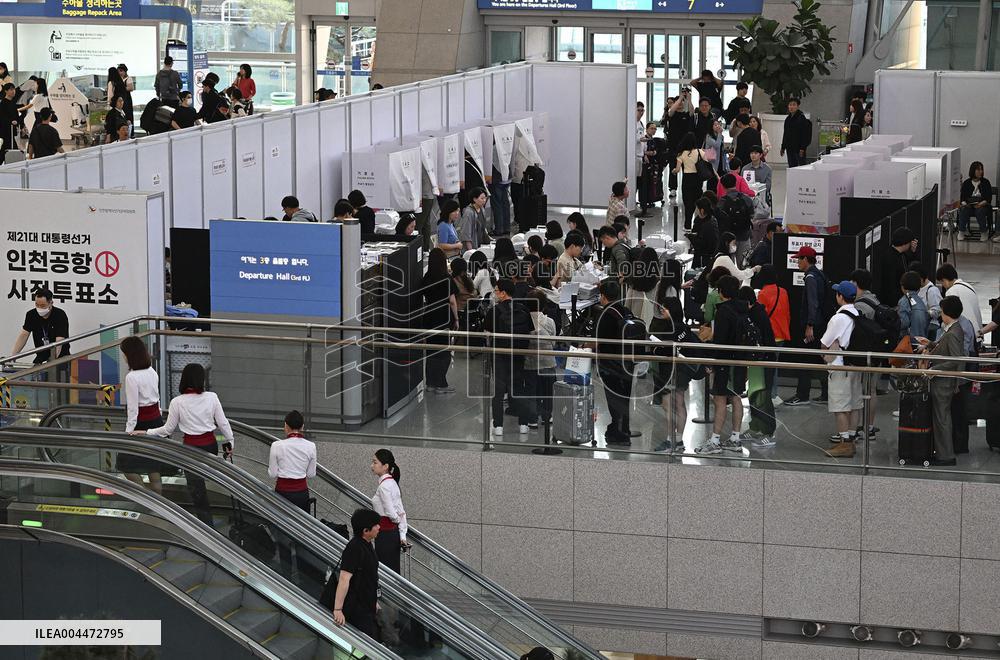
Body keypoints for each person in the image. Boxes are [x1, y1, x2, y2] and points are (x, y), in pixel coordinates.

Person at [138, 363, 234, 525]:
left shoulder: (177, 402)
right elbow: (223, 423)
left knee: (196, 488)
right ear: (202, 379)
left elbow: (167, 430)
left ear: (184, 379)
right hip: (210, 446)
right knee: (210, 480)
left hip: (190, 450)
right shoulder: (212, 397)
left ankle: (206, 524)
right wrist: (230, 443)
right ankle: (217, 516)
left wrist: (147, 432)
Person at [915, 295, 967, 466]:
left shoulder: (952, 333)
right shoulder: (954, 329)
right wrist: (930, 344)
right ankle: (943, 452)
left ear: (946, 314)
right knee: (941, 417)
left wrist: (934, 370)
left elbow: (955, 359)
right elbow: (946, 349)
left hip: (944, 382)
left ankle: (945, 455)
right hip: (945, 381)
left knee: (941, 419)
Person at [700, 275, 749, 454]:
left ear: (721, 291)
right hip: (740, 359)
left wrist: (712, 362)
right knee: (736, 398)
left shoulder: (723, 311)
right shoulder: (744, 308)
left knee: (719, 399)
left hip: (725, 361)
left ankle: (715, 441)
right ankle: (735, 438)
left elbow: (720, 341)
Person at [484, 278, 534, 435]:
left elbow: (486, 335)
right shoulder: (524, 309)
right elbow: (530, 332)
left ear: (503, 293)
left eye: (496, 291)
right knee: (519, 388)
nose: (495, 293)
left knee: (499, 391)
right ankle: (523, 424)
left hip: (500, 355)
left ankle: (498, 426)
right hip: (519, 355)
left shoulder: (494, 311)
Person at [649, 291, 695, 451]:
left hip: (670, 371)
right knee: (679, 404)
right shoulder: (684, 327)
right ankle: (679, 440)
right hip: (683, 371)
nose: (662, 310)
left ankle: (671, 440)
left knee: (668, 405)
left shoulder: (670, 328)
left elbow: (666, 350)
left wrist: (656, 348)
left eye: (665, 308)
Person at [117, 336, 164, 494]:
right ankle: (159, 501)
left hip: (140, 424)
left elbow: (133, 409)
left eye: (124, 353)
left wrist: (128, 433)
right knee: (153, 465)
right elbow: (157, 399)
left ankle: (145, 497)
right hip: (156, 420)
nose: (123, 357)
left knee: (125, 465)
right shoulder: (152, 371)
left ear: (130, 354)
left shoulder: (132, 377)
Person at [821, 282, 863, 458]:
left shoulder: (838, 318)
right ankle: (851, 440)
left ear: (840, 296)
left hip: (839, 367)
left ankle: (844, 444)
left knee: (840, 406)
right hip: (855, 365)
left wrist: (825, 355)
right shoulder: (858, 314)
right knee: (854, 405)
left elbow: (825, 344)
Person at [784, 246, 829, 406]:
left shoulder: (810, 277)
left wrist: (810, 325)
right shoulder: (819, 274)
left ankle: (802, 395)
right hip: (822, 324)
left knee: (804, 359)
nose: (797, 262)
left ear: (805, 259)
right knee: (820, 359)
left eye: (799, 259)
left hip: (813, 326)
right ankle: (826, 393)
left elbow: (813, 303)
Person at [594, 280, 635, 445]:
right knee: (625, 397)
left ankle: (619, 434)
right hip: (628, 363)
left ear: (603, 296)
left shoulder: (604, 314)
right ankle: (624, 429)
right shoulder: (626, 311)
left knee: (613, 398)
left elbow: (597, 340)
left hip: (610, 364)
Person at [330, 508, 381, 638]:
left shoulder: (368, 544)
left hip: (366, 605)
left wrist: (373, 600)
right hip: (357, 608)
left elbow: (369, 576)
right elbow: (344, 578)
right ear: (365, 530)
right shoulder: (354, 548)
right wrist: (338, 609)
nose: (379, 527)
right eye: (375, 525)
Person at [739, 286, 778, 447]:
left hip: (764, 360)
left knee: (763, 397)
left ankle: (769, 432)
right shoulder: (753, 313)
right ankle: (755, 427)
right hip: (756, 360)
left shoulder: (757, 315)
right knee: (754, 394)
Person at [421, 248, 458, 394]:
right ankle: (441, 384)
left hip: (429, 315)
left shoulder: (426, 277)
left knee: (431, 350)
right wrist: (456, 318)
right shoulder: (447, 278)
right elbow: (452, 301)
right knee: (443, 351)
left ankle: (430, 383)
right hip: (443, 315)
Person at [267, 410, 317, 512]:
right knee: (301, 521)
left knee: (281, 520)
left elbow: (272, 474)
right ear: (302, 427)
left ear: (286, 426)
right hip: (301, 493)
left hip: (282, 493)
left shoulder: (276, 445)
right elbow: (311, 474)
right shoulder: (311, 446)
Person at [756, 265, 790, 404]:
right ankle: (774, 394)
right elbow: (787, 314)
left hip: (769, 335)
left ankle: (768, 395)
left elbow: (760, 317)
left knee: (766, 368)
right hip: (782, 333)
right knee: (774, 365)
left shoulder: (762, 294)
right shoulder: (783, 291)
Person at [370, 449, 409, 571]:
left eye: (375, 462)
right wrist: (402, 535)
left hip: (385, 534)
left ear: (385, 466)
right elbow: (401, 511)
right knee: (392, 571)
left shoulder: (384, 486)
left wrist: (396, 520)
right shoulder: (392, 483)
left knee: (384, 571)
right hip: (392, 534)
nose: (372, 466)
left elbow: (391, 512)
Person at [10, 288, 69, 364]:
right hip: (41, 357)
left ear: (51, 303)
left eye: (43, 305)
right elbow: (24, 335)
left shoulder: (60, 315)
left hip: (61, 357)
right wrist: (13, 357)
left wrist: (52, 360)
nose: (39, 308)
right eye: (37, 305)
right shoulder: (31, 315)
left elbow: (59, 340)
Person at [524, 289, 557, 428]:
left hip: (530, 363)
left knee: (532, 391)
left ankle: (532, 418)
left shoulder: (523, 321)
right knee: (548, 391)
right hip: (548, 362)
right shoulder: (550, 321)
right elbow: (554, 342)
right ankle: (547, 416)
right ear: (544, 306)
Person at [716, 174, 756, 259]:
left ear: (723, 186)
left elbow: (719, 220)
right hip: (744, 235)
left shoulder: (722, 202)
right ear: (736, 183)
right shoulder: (746, 199)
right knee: (743, 263)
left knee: (728, 263)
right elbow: (752, 215)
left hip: (728, 238)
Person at [663, 91, 694, 196]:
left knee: (687, 168)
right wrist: (680, 98)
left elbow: (692, 111)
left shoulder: (686, 115)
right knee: (673, 166)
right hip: (673, 146)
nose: (680, 104)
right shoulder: (672, 115)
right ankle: (673, 188)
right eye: (678, 102)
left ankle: (686, 188)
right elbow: (671, 110)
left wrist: (688, 99)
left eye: (682, 102)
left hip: (686, 147)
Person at [673, 132, 706, 229]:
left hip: (687, 179)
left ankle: (687, 225)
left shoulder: (682, 154)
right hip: (698, 179)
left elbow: (677, 169)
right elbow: (707, 163)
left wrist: (673, 171)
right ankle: (698, 225)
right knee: (698, 202)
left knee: (688, 203)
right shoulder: (700, 152)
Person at [935, 263, 983, 331]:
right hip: (977, 330)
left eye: (941, 282)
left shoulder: (951, 292)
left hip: (963, 332)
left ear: (944, 280)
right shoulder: (969, 286)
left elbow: (950, 318)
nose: (943, 285)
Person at [879, 227, 918, 308]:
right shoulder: (890, 258)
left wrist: (913, 251)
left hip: (902, 297)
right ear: (904, 243)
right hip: (895, 303)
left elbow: (909, 263)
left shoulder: (900, 254)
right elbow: (890, 285)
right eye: (910, 242)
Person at [958, 161, 994, 241]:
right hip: (969, 206)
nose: (981, 171)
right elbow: (962, 198)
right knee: (963, 209)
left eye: (981, 169)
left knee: (980, 210)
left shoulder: (985, 182)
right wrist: (965, 204)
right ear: (973, 171)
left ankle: (983, 232)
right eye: (978, 170)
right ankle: (961, 231)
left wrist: (980, 204)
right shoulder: (967, 183)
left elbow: (988, 198)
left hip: (983, 205)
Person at [637, 121, 667, 216]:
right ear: (647, 129)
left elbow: (656, 151)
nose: (654, 130)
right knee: (645, 183)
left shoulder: (654, 140)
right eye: (652, 128)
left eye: (655, 129)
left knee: (654, 183)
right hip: (645, 165)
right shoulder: (643, 139)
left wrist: (654, 153)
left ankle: (653, 198)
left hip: (654, 165)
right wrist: (647, 153)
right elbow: (642, 151)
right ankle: (644, 201)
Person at [626, 247, 659, 325]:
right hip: (651, 310)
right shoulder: (656, 277)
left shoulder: (635, 276)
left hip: (635, 309)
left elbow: (628, 302)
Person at [911, 262, 943, 338]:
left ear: (921, 278)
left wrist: (923, 313)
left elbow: (938, 311)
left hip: (930, 327)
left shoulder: (932, 290)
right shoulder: (916, 289)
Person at [689, 197, 720, 269]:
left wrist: (692, 238)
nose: (695, 211)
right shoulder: (700, 220)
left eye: (697, 209)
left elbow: (704, 245)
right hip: (699, 256)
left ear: (702, 210)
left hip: (704, 259)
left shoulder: (709, 225)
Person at [898, 271, 930, 341]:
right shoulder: (921, 302)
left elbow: (903, 323)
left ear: (902, 287)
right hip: (922, 341)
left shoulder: (904, 301)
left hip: (909, 341)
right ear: (919, 288)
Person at [780, 97, 812, 168]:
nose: (791, 107)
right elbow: (786, 134)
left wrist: (803, 148)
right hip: (789, 148)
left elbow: (805, 135)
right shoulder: (788, 119)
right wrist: (783, 147)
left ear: (797, 106)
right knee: (791, 167)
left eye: (794, 105)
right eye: (790, 105)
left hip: (799, 149)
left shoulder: (801, 118)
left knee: (801, 167)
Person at [1, 83, 25, 164]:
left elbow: (16, 116)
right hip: (6, 130)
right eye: (11, 89)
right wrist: (10, 121)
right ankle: (15, 164)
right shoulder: (3, 103)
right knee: (11, 147)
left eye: (14, 89)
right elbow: (2, 117)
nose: (13, 91)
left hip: (11, 130)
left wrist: (21, 125)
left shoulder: (12, 102)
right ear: (6, 91)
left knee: (6, 148)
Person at [458, 187, 488, 251]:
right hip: (472, 248)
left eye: (485, 198)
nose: (484, 200)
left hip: (481, 245)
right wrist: (471, 251)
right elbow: (466, 235)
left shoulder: (482, 209)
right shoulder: (468, 213)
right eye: (482, 198)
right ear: (474, 199)